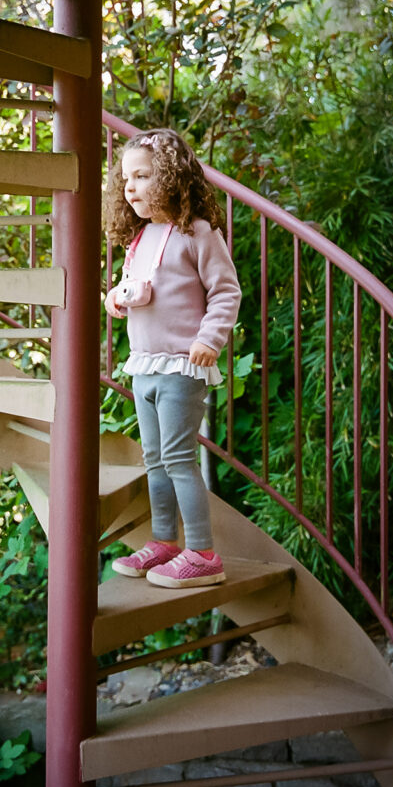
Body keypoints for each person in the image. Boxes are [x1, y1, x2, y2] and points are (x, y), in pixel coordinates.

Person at [104, 128, 241, 588]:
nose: (131, 187)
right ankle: (164, 542)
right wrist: (116, 299)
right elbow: (139, 289)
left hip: (183, 366)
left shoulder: (197, 233)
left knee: (179, 460)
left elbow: (226, 291)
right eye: (127, 179)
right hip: (144, 365)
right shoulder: (140, 238)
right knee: (154, 460)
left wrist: (210, 339)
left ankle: (202, 553)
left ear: (171, 177)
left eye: (143, 176)